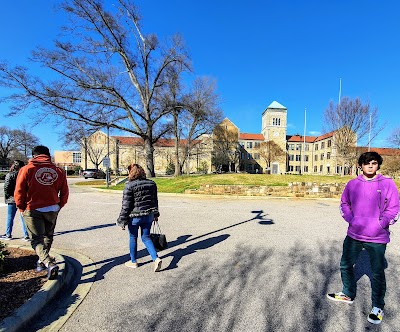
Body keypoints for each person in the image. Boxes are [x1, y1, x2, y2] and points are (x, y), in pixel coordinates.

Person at [327, 151, 399, 325]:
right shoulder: (352, 184)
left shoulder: (387, 183)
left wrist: (381, 224)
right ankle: (348, 293)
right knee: (345, 264)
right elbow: (344, 204)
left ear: (378, 165)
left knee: (377, 273)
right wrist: (352, 220)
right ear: (360, 165)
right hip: (354, 234)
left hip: (377, 237)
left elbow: (394, 207)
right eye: (366, 163)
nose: (370, 166)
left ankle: (378, 306)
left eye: (373, 163)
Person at [14, 145, 69, 280]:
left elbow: (19, 191)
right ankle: (41, 262)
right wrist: (59, 204)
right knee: (48, 236)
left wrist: (21, 207)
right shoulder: (59, 171)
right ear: (48, 155)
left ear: (34, 156)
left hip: (33, 208)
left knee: (36, 239)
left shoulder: (27, 169)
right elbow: (65, 192)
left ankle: (48, 262)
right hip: (52, 208)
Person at [117, 163, 162, 272]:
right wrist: (156, 214)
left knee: (133, 238)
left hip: (134, 217)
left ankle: (133, 262)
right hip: (149, 215)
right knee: (146, 237)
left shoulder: (129, 185)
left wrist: (122, 221)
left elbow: (126, 206)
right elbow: (154, 201)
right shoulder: (152, 183)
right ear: (142, 172)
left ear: (131, 173)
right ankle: (156, 259)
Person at [1, 160, 30, 241]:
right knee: (23, 217)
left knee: (10, 217)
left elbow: (6, 187)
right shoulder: (25, 175)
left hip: (12, 199)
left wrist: (9, 195)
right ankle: (26, 235)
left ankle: (8, 234)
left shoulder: (9, 175)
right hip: (22, 198)